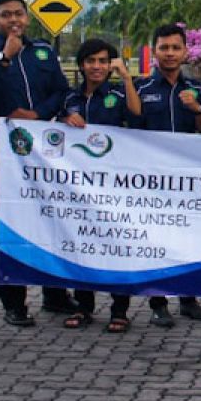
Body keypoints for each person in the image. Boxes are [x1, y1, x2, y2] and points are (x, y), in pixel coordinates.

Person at [0, 0, 77, 326]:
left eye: (18, 14)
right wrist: (4, 59)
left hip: (45, 154)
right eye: (6, 15)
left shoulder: (43, 51)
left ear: (27, 17)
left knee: (51, 221)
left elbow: (62, 91)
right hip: (6, 153)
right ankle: (14, 303)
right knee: (12, 227)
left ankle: (54, 294)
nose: (13, 20)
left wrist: (38, 114)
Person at [130, 24, 201, 327]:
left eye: (175, 47)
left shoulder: (197, 89)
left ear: (185, 52)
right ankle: (158, 302)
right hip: (152, 180)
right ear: (155, 51)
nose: (170, 53)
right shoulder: (140, 88)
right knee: (157, 241)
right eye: (164, 47)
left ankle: (188, 300)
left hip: (188, 181)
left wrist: (196, 109)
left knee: (188, 241)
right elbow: (130, 128)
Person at [59, 38, 141, 334]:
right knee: (84, 244)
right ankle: (83, 306)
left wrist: (127, 79)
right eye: (91, 61)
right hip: (79, 188)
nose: (97, 67)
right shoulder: (70, 98)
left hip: (114, 186)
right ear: (81, 65)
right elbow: (54, 129)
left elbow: (135, 115)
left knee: (116, 245)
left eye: (103, 61)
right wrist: (66, 117)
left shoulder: (118, 94)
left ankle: (120, 310)